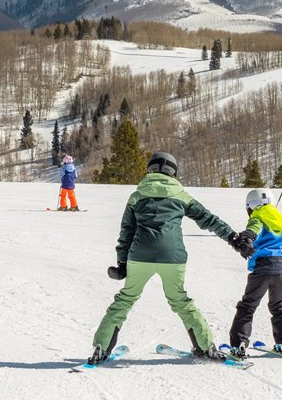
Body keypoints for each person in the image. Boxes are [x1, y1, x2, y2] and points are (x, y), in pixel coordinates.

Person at [86, 152, 254, 365]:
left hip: (140, 256)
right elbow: (209, 219)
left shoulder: (137, 196)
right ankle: (206, 347)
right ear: (174, 172)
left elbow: (126, 232)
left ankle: (101, 348)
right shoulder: (181, 196)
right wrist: (234, 238)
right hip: (172, 257)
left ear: (150, 170)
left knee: (125, 300)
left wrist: (122, 263)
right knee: (180, 300)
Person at [227, 189, 282, 359]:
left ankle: (238, 345)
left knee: (247, 306)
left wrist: (247, 238)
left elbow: (254, 229)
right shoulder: (280, 222)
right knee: (279, 306)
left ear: (250, 206)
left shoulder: (258, 217)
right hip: (281, 268)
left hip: (262, 268)